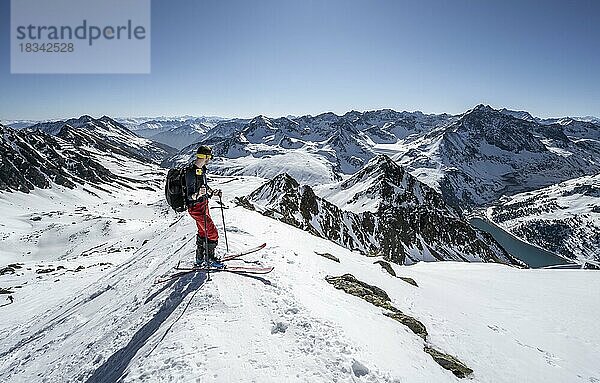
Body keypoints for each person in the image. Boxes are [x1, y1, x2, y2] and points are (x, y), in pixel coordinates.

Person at [185, 145, 224, 268]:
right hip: (196, 208)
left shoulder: (201, 170)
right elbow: (189, 196)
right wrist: (198, 194)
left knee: (203, 232)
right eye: (209, 157)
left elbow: (204, 186)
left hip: (203, 205)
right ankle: (210, 259)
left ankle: (199, 258)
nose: (210, 160)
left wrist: (213, 193)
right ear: (205, 157)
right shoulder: (190, 173)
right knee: (212, 232)